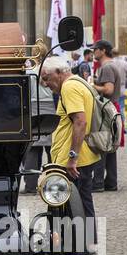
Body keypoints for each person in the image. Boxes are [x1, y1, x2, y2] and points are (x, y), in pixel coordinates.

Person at [36, 57, 101, 219]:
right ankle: (85, 242)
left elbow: (80, 121)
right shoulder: (78, 82)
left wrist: (72, 158)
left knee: (72, 208)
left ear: (58, 73)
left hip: (74, 161)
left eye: (46, 78)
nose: (45, 84)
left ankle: (78, 243)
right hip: (81, 157)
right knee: (82, 204)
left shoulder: (69, 87)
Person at [90, 41, 126, 191]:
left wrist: (92, 85)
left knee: (101, 143)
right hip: (112, 108)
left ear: (103, 51)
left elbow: (108, 89)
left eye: (95, 50)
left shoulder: (107, 67)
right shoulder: (112, 65)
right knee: (109, 146)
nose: (93, 52)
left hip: (107, 109)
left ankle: (98, 182)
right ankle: (111, 181)